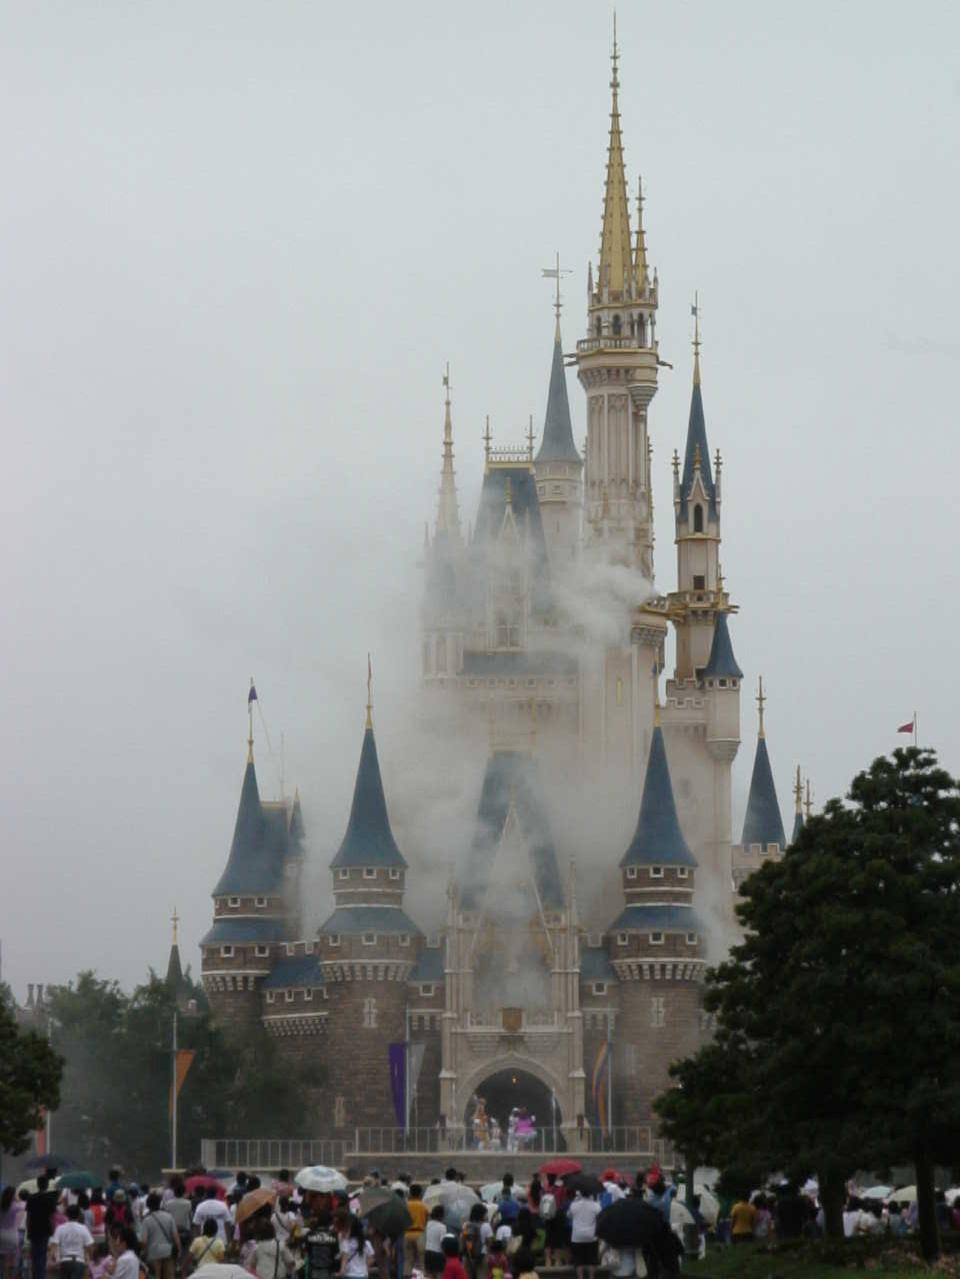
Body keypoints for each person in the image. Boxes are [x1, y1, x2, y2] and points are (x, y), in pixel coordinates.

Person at [140, 1193, 180, 1279]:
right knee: (169, 1276)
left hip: (153, 1252)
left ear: (148, 1205)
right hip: (168, 1250)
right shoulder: (169, 1216)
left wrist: (144, 1253)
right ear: (159, 1203)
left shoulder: (146, 1220)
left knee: (156, 1276)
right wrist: (178, 1250)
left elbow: (144, 1241)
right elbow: (175, 1236)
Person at [27, 1175, 60, 1279]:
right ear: (46, 1185)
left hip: (33, 1230)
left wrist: (28, 1230)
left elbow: (28, 1217)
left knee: (35, 1256)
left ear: (38, 1184)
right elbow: (52, 1217)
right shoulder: (50, 1199)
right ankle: (40, 1276)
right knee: (42, 1255)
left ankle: (36, 1276)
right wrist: (54, 1230)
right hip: (45, 1230)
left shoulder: (31, 1198)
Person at [50, 1203, 95, 1279]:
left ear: (67, 1214)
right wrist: (90, 1258)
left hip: (64, 1261)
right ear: (78, 1215)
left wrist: (53, 1257)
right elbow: (90, 1246)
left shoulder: (60, 1228)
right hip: (79, 1261)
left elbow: (54, 1245)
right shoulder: (83, 1228)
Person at [566, 1191, 599, 1279]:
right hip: (592, 1236)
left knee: (578, 1260)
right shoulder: (595, 1205)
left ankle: (580, 1277)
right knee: (591, 1259)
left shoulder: (574, 1205)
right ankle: (591, 1277)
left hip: (577, 1236)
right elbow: (600, 1216)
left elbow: (568, 1216)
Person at [303, 1208, 338, 1279]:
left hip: (313, 1272)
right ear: (329, 1221)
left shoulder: (310, 1234)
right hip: (329, 1272)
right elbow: (336, 1253)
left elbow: (306, 1251)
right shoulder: (333, 1236)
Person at [404, 1186, 428, 1276]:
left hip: (407, 1234)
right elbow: (426, 1220)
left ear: (410, 1193)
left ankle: (407, 1276)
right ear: (420, 1193)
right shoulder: (423, 1206)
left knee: (408, 1260)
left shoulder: (405, 1205)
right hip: (420, 1234)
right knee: (421, 1261)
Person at [164, 1183, 193, 1259]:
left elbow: (166, 1217)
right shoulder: (188, 1203)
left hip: (172, 1231)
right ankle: (183, 1267)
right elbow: (190, 1218)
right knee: (185, 1250)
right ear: (183, 1192)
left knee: (172, 1252)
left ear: (174, 1192)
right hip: (185, 1230)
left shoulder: (168, 1203)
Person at [0, 1186, 19, 1279]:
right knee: (12, 1260)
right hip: (12, 1235)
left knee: (2, 1260)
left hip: (1, 1235)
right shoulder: (15, 1206)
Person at [424, 1206, 446, 1279]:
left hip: (427, 1253)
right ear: (441, 1215)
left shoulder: (426, 1224)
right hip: (437, 1254)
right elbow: (443, 1242)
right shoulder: (442, 1227)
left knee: (429, 1276)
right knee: (439, 1275)